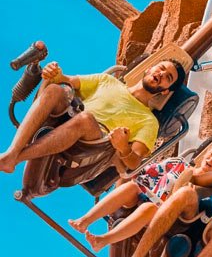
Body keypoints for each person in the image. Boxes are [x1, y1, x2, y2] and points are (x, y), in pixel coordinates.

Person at [0, 58, 185, 174]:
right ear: (149, 69)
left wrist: (123, 148)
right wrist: (53, 72)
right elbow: (67, 80)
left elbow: (134, 162)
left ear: (165, 90)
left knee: (86, 119)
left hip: (92, 146)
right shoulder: (108, 81)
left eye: (168, 77)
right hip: (68, 117)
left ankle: (14, 158)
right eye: (160, 68)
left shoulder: (149, 122)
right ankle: (11, 154)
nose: (161, 74)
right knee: (55, 90)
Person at [68, 141, 212, 252]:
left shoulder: (211, 191)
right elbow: (145, 175)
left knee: (149, 208)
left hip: (164, 217)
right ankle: (84, 221)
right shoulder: (178, 164)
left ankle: (103, 240)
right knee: (131, 187)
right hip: (145, 195)